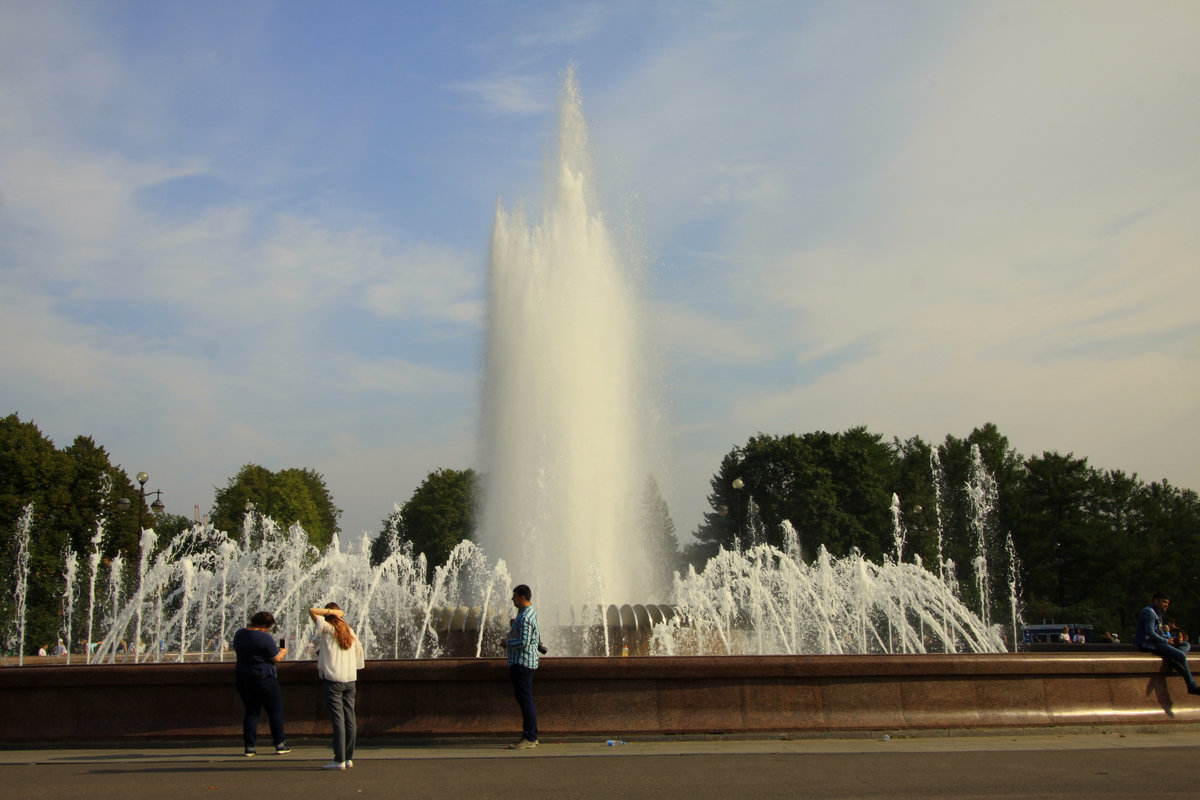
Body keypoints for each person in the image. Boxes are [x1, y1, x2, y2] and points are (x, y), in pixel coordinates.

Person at [309, 603, 365, 771]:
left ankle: (339, 759)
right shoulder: (349, 631)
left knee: (338, 719)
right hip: (349, 679)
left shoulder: (328, 628)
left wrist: (332, 612)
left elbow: (312, 610)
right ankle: (348, 757)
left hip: (333, 679)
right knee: (350, 718)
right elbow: (359, 652)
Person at [231, 610, 291, 756]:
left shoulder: (239, 634)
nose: (269, 630)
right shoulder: (264, 637)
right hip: (264, 678)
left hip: (243, 677)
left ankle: (249, 747)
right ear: (264, 625)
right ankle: (279, 744)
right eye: (269, 627)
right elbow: (276, 658)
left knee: (251, 712)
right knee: (275, 711)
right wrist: (283, 651)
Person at [1133, 592, 1200, 696]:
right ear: (1155, 600)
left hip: (1157, 642)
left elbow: (1159, 632)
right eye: (1164, 602)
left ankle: (1173, 659)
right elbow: (1150, 633)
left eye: (1168, 603)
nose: (1166, 605)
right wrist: (1166, 641)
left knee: (1185, 644)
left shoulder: (1157, 613)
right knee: (1181, 656)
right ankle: (1192, 686)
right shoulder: (1149, 612)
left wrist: (1172, 639)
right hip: (1147, 644)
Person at [501, 584, 540, 749]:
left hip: (522, 663)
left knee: (525, 700)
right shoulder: (527, 613)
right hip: (526, 662)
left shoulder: (524, 617)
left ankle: (530, 737)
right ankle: (531, 736)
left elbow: (523, 642)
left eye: (514, 596)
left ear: (522, 597)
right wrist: (514, 624)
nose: (512, 599)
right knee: (526, 699)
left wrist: (506, 643)